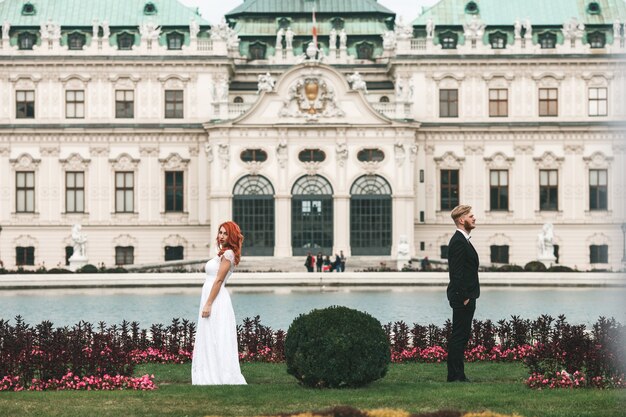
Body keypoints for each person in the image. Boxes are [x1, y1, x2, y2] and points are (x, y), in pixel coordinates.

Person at [192, 221, 246, 385]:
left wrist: (208, 303)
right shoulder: (222, 253)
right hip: (211, 296)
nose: (221, 236)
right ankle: (209, 369)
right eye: (220, 232)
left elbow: (218, 280)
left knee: (217, 335)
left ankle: (219, 373)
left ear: (232, 237)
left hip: (216, 299)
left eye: (225, 233)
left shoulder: (228, 254)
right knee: (210, 334)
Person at [446, 205, 480, 383]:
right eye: (471, 216)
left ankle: (457, 374)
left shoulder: (463, 240)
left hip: (467, 295)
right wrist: (464, 296)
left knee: (461, 335)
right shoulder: (459, 241)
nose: (474, 218)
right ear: (461, 220)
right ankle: (455, 376)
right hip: (463, 297)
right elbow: (456, 273)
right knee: (459, 336)